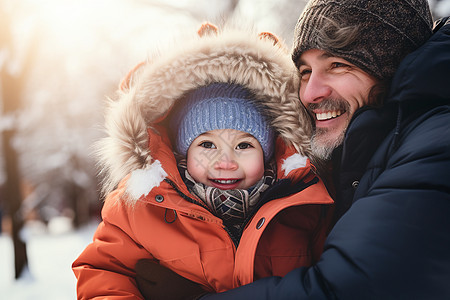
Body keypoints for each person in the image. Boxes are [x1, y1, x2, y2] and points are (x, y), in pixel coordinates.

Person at [134, 0, 450, 299]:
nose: (310, 93)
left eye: (337, 65)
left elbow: (351, 288)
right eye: (304, 71)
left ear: (390, 66)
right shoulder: (361, 154)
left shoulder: (436, 142)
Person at [72, 23, 334, 299]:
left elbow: (330, 282)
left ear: (269, 153)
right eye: (207, 144)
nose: (225, 161)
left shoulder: (306, 205)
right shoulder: (141, 207)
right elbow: (104, 272)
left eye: (244, 145)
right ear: (183, 151)